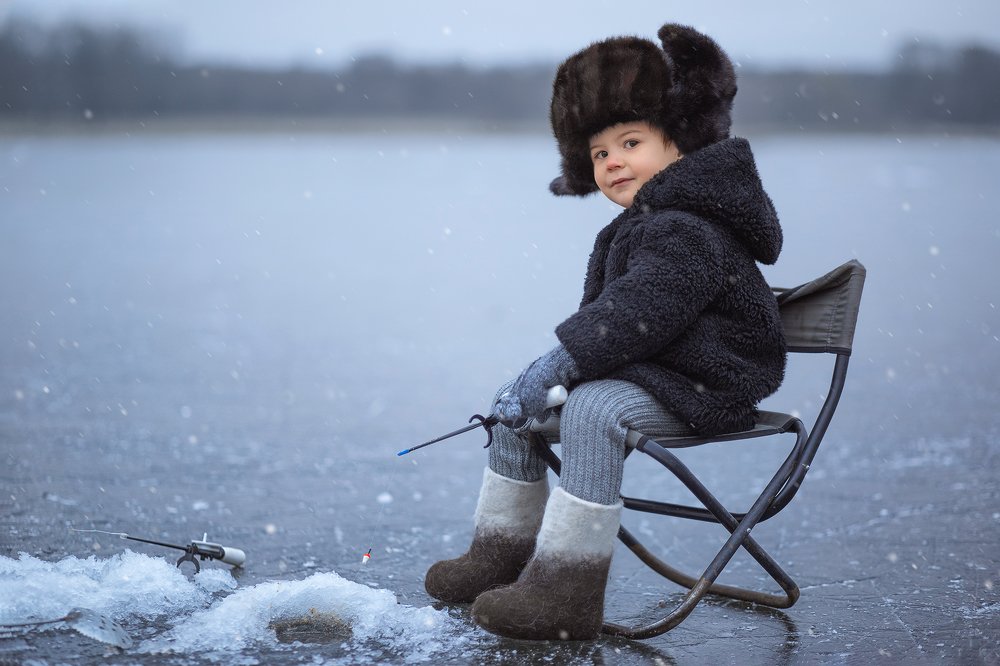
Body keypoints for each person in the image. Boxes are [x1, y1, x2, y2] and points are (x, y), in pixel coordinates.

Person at [424, 23, 787, 641]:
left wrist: (563, 363)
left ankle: (566, 589)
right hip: (657, 373)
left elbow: (640, 309)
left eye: (630, 142)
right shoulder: (639, 225)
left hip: (710, 383)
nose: (612, 160)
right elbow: (621, 321)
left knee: (592, 409)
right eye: (598, 153)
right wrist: (549, 377)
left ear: (679, 142)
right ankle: (499, 555)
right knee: (516, 410)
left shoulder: (688, 227)